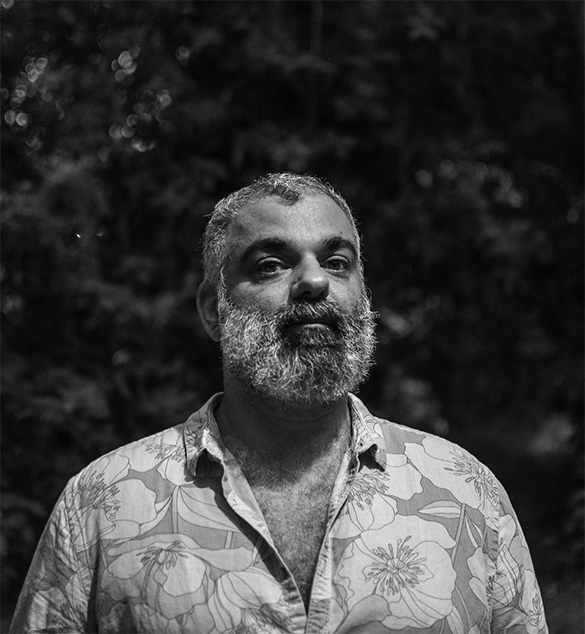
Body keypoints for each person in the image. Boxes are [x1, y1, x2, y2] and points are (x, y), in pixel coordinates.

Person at [10, 173, 548, 634]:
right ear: (214, 310)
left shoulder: (466, 494)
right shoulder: (100, 505)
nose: (314, 281)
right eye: (270, 265)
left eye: (337, 262)